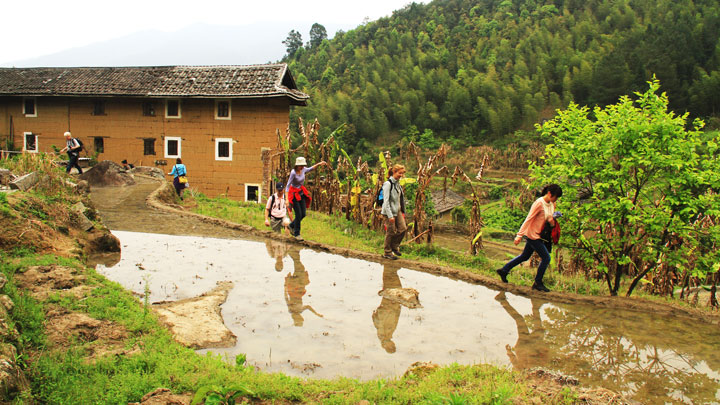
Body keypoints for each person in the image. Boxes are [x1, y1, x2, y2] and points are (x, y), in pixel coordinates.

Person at [496, 184, 563, 292]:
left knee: (525, 256)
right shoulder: (539, 203)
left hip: (541, 235)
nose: (556, 199)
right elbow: (529, 219)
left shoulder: (552, 204)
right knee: (546, 258)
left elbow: (549, 221)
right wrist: (519, 235)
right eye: (556, 196)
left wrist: (552, 220)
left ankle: (504, 270)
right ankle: (538, 282)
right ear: (550, 193)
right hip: (533, 235)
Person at [285, 157, 327, 240]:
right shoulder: (293, 173)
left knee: (303, 214)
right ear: (297, 165)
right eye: (300, 165)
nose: (302, 167)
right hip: (294, 194)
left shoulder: (303, 169)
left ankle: (291, 225)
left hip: (300, 192)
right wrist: (286, 199)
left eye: (303, 165)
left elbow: (311, 168)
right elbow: (287, 186)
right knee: (298, 214)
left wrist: (319, 164)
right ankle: (297, 234)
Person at [372, 262, 403, 353]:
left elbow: (380, 322)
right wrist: (396, 310)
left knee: (391, 289)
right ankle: (390, 270)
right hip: (391, 309)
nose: (393, 343)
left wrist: (386, 310)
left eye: (392, 345)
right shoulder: (387, 336)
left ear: (387, 346)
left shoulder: (383, 336)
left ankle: (389, 269)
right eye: (393, 345)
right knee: (396, 289)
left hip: (388, 309)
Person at [380, 164, 407, 260]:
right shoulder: (388, 184)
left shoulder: (397, 184)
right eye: (400, 173)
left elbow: (400, 199)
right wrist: (390, 215)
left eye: (402, 173)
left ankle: (394, 247)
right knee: (391, 232)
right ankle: (387, 252)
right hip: (389, 212)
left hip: (398, 210)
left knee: (403, 229)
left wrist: (402, 210)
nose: (401, 175)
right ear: (394, 172)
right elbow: (386, 201)